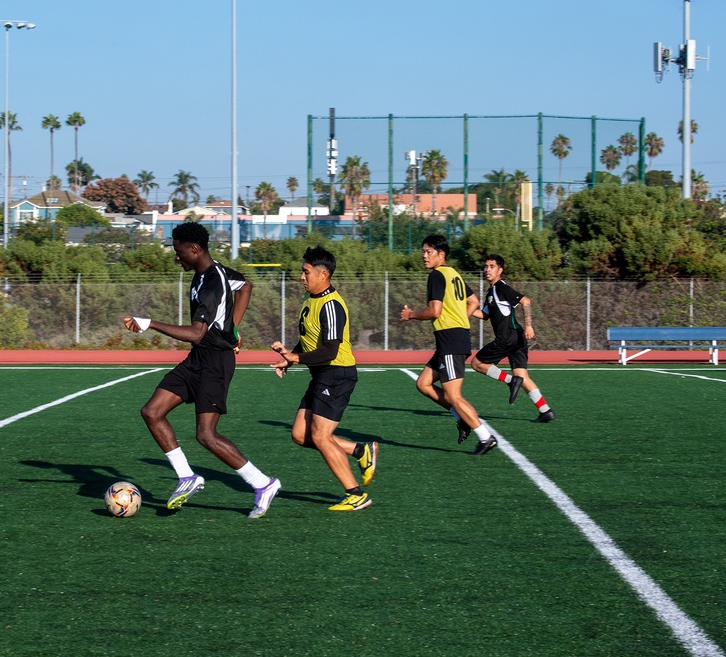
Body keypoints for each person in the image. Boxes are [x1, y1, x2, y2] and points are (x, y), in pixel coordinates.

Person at [122, 222, 281, 519]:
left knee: (206, 435)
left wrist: (150, 323)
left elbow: (196, 333)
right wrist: (232, 328)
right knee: (152, 412)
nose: (176, 257)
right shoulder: (209, 272)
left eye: (178, 252)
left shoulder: (211, 283)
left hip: (215, 363)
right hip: (198, 358)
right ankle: (187, 477)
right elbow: (246, 285)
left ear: (194, 249)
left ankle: (263, 483)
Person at [270, 245, 377, 511]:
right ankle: (360, 450)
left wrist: (296, 358)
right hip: (322, 374)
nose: (301, 277)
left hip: (337, 374)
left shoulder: (331, 305)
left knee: (320, 436)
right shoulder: (311, 300)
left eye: (306, 272)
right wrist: (289, 357)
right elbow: (309, 339)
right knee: (299, 434)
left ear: (323, 274)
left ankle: (355, 494)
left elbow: (330, 350)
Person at [400, 234, 497, 455]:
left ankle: (486, 437)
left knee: (454, 395)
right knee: (423, 384)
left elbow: (435, 311)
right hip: (450, 339)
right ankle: (461, 418)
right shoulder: (454, 274)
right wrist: (460, 318)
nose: (424, 256)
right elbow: (473, 301)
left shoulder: (436, 275)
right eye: (423, 252)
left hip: (451, 340)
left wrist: (411, 315)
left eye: (429, 252)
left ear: (441, 254)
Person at [470, 254, 555, 423]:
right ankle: (545, 411)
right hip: (517, 338)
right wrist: (466, 309)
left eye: (492, 266)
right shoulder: (490, 292)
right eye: (486, 266)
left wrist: (529, 325)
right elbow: (485, 315)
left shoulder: (501, 288)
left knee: (477, 363)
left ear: (500, 270)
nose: (487, 270)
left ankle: (510, 381)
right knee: (522, 375)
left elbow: (526, 301)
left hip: (507, 338)